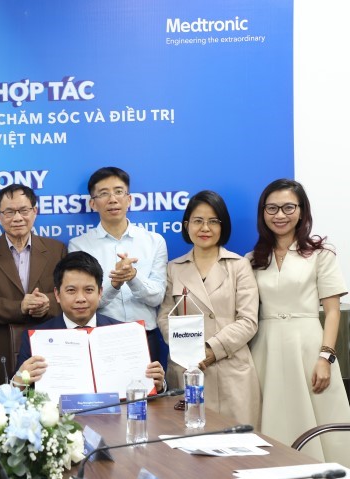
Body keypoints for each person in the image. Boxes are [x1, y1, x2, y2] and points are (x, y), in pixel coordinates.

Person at [248, 179, 349, 464]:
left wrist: (325, 357)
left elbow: (332, 312)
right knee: (273, 419)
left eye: (288, 207)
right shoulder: (252, 259)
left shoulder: (321, 254)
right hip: (265, 348)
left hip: (309, 347)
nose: (280, 215)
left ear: (302, 211)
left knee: (322, 422)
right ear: (263, 212)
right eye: (272, 208)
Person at [157, 190, 261, 428]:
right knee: (187, 442)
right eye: (198, 221)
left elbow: (248, 321)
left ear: (223, 226)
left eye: (213, 221)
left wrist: (212, 349)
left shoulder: (239, 265)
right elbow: (164, 317)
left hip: (230, 368)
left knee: (236, 444)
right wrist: (188, 349)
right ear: (187, 226)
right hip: (187, 368)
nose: (205, 228)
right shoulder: (174, 268)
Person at [15, 251, 166, 392]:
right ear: (57, 295)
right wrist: (20, 379)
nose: (80, 298)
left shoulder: (125, 334)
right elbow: (19, 392)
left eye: (88, 290)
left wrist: (158, 385)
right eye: (71, 290)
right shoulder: (36, 338)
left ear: (100, 293)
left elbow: (146, 392)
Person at [0, 184, 66, 389]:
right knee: (0, 405)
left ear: (35, 211)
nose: (18, 218)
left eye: (23, 210)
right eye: (9, 212)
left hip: (48, 348)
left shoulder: (56, 249)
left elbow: (68, 296)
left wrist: (48, 303)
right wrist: (20, 307)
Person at [68, 167, 167, 363]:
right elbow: (84, 302)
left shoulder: (154, 241)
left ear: (129, 199)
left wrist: (133, 277)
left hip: (144, 336)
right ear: (93, 203)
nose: (112, 199)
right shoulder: (79, 245)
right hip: (99, 337)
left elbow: (157, 297)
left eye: (119, 192)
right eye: (104, 193)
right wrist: (114, 284)